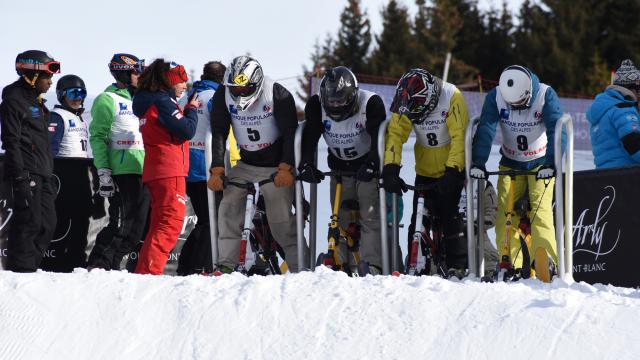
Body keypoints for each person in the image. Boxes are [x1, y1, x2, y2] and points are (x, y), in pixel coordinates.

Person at [208, 55, 305, 273]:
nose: (239, 94)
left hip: (275, 166)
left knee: (281, 223)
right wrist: (217, 168)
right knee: (228, 208)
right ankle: (226, 264)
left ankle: (302, 269)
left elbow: (290, 133)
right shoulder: (223, 95)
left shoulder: (276, 94)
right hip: (246, 163)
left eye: (244, 89)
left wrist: (286, 166)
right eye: (235, 89)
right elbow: (219, 132)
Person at [469, 65, 563, 282]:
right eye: (513, 104)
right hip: (510, 162)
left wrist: (551, 163)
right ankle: (512, 263)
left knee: (541, 212)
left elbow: (556, 130)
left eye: (520, 103)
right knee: (505, 213)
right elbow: (487, 129)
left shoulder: (545, 95)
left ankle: (546, 262)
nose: (517, 108)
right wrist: (479, 162)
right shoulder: (496, 96)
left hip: (540, 164)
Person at [382, 68, 469, 278]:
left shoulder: (452, 96)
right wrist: (391, 168)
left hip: (452, 169)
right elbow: (395, 134)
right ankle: (417, 263)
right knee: (418, 221)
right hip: (424, 170)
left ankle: (457, 265)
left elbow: (460, 137)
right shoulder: (406, 98)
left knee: (452, 218)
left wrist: (453, 169)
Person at [298, 66, 386, 275]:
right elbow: (310, 136)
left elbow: (379, 139)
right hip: (338, 167)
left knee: (369, 216)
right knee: (339, 218)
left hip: (366, 167)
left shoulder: (370, 103)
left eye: (341, 101)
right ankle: (341, 263)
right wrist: (307, 164)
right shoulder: (316, 105)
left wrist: (373, 164)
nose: (336, 105)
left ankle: (371, 264)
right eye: (332, 101)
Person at [133, 59, 200, 275]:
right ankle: (150, 274)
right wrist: (191, 110)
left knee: (159, 225)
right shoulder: (163, 102)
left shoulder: (150, 101)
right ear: (168, 81)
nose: (185, 86)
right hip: (169, 170)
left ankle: (144, 272)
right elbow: (187, 130)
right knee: (169, 225)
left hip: (158, 170)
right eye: (181, 81)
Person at [177, 61, 240, 275]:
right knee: (211, 221)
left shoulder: (188, 96)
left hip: (187, 166)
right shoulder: (216, 97)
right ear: (222, 79)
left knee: (204, 219)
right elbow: (221, 130)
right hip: (209, 166)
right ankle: (196, 266)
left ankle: (188, 265)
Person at [87, 53, 150, 270]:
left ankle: (112, 270)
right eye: (136, 72)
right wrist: (103, 171)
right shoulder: (107, 99)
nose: (139, 75)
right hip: (120, 173)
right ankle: (97, 267)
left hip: (143, 171)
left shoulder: (141, 100)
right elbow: (97, 136)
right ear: (123, 73)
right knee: (120, 225)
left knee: (135, 231)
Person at [0, 50, 60, 272]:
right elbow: (10, 141)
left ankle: (29, 270)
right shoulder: (14, 99)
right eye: (47, 77)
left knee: (48, 224)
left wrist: (49, 174)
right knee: (29, 223)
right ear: (32, 75)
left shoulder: (36, 102)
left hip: (43, 173)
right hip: (26, 172)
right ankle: (22, 273)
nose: (50, 82)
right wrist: (20, 176)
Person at [41, 74, 93, 272]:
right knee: (65, 218)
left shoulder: (80, 119)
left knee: (82, 216)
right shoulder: (58, 116)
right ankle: (57, 258)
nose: (78, 97)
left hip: (80, 175)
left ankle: (76, 257)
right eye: (73, 93)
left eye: (82, 93)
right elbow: (50, 148)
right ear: (62, 95)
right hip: (64, 175)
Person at [587, 59, 640, 169]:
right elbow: (634, 144)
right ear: (631, 88)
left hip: (604, 174)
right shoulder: (623, 109)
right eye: (639, 89)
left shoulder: (604, 109)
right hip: (625, 173)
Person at [458, 180, 498, 276]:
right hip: (455, 230)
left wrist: (477, 225)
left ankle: (488, 274)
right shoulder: (451, 182)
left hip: (477, 229)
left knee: (489, 256)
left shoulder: (484, 185)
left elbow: (492, 214)